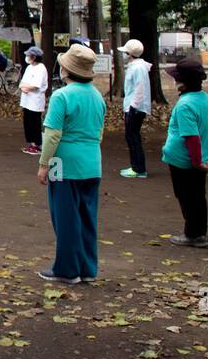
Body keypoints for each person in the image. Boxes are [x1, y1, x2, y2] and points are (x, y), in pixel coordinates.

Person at [36, 44, 105, 284]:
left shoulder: (61, 96)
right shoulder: (97, 96)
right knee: (87, 216)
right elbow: (99, 132)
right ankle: (87, 267)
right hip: (92, 163)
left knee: (65, 217)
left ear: (66, 69)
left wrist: (44, 164)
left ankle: (66, 269)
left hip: (63, 163)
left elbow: (52, 133)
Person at [161, 57, 208, 248]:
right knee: (198, 196)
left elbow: (191, 137)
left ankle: (193, 234)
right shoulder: (205, 99)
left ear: (183, 81)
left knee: (187, 196)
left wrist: (196, 161)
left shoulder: (185, 105)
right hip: (197, 158)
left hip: (185, 160)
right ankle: (198, 231)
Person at [118, 39, 153, 179]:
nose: (123, 55)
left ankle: (138, 168)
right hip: (133, 107)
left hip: (136, 108)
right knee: (132, 137)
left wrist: (132, 108)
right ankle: (136, 166)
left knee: (132, 137)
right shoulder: (136, 66)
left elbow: (139, 89)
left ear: (130, 54)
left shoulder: (138, 68)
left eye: (125, 52)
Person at [18, 45, 48, 155]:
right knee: (27, 122)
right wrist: (24, 87)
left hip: (35, 101)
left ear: (34, 57)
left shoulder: (41, 68)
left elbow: (36, 85)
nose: (27, 57)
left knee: (34, 122)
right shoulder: (29, 67)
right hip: (27, 100)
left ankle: (37, 145)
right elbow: (23, 82)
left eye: (29, 55)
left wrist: (26, 87)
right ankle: (32, 144)